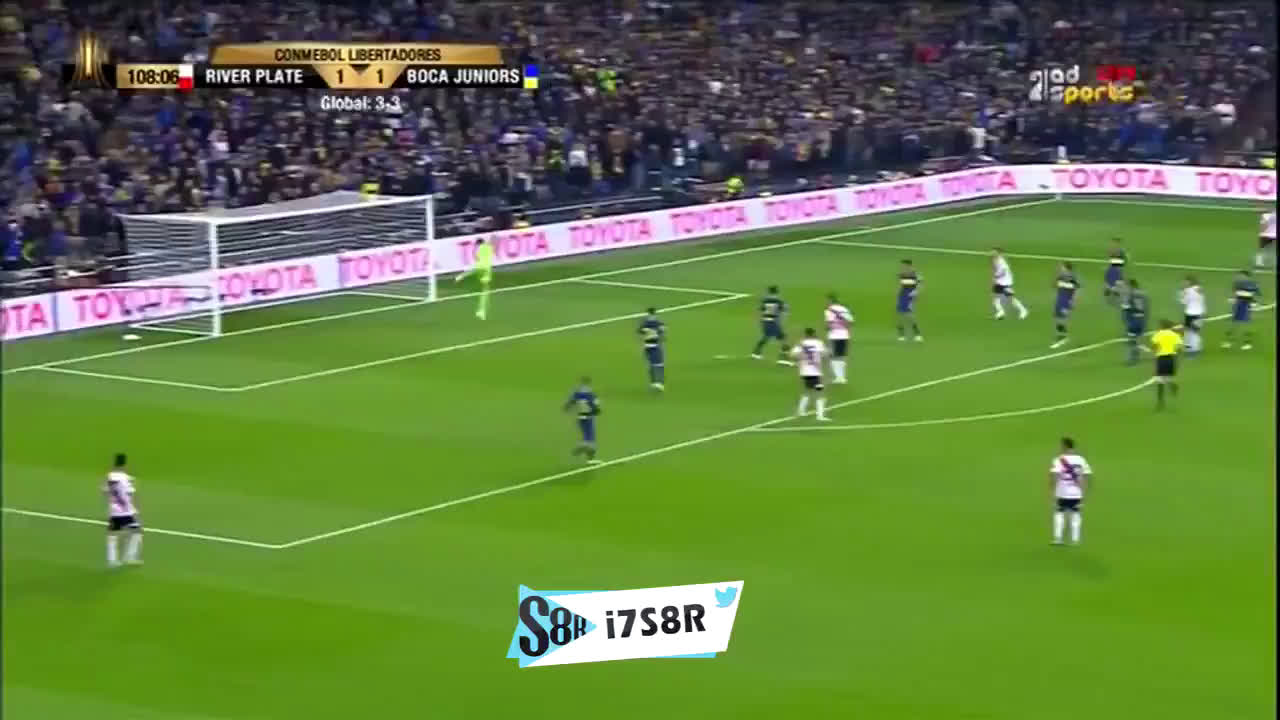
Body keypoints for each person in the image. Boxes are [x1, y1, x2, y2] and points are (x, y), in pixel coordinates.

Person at [1048, 437, 1092, 546]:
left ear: (1065, 446)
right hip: (1076, 493)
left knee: (1059, 514)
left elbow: (1055, 475)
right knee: (1076, 515)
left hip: (1062, 492)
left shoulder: (1059, 459)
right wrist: (1084, 490)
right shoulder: (1081, 459)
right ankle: (1075, 540)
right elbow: (1087, 475)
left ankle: (1058, 539)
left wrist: (1052, 489)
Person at [104, 453, 142, 568]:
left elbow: (105, 491)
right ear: (124, 464)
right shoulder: (126, 478)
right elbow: (130, 493)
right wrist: (133, 508)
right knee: (136, 531)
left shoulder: (110, 476)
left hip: (114, 510)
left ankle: (112, 560)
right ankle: (129, 557)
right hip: (125, 511)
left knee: (113, 534)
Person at [791, 328, 829, 420]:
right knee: (820, 393)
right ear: (814, 334)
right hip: (815, 372)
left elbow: (792, 355)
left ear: (805, 334)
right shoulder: (818, 343)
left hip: (804, 371)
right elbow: (825, 354)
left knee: (807, 390)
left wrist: (801, 358)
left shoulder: (801, 343)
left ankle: (801, 411)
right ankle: (820, 416)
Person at [563, 377, 602, 463]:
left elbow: (570, 402)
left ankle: (586, 453)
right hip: (588, 417)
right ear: (588, 383)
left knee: (587, 436)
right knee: (590, 439)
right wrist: (597, 411)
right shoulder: (591, 394)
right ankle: (584, 451)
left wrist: (566, 408)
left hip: (580, 417)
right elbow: (595, 405)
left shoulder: (577, 393)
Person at [455, 238, 494, 320]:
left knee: (474, 272)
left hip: (481, 267)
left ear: (478, 244)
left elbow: (476, 258)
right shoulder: (489, 247)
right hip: (487, 269)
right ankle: (481, 311)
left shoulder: (480, 249)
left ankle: (461, 276)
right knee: (485, 290)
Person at [751, 285, 792, 363]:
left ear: (769, 292)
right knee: (780, 338)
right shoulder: (779, 301)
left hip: (766, 321)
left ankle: (756, 352)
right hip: (773, 322)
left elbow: (760, 310)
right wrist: (782, 319)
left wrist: (760, 320)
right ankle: (783, 357)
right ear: (777, 292)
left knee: (772, 337)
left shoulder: (765, 301)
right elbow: (784, 310)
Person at [1223, 269, 1261, 350]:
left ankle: (1247, 343)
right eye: (1239, 276)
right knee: (1233, 324)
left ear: (1246, 276)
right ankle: (1229, 342)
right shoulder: (1237, 283)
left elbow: (1257, 295)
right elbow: (1234, 294)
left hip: (1246, 306)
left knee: (1246, 325)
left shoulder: (1253, 284)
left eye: (1241, 275)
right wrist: (1232, 299)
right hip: (1238, 305)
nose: (1239, 277)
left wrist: (1254, 303)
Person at [1150, 320, 1183, 410]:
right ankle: (1172, 385)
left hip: (1161, 358)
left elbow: (1154, 346)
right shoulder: (1175, 335)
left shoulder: (1158, 334)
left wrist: (1154, 354)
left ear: (1162, 326)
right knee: (1167, 377)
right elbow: (1179, 347)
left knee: (1159, 380)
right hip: (1171, 358)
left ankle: (1160, 402)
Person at [823, 294, 853, 384]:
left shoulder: (829, 310)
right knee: (841, 356)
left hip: (834, 335)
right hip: (845, 335)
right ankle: (842, 377)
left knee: (833, 357)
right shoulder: (844, 309)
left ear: (830, 301)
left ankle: (838, 377)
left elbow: (829, 323)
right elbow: (851, 321)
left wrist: (827, 328)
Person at [991, 248, 1029, 320]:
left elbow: (1003, 271)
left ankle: (1023, 310)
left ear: (999, 253)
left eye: (994, 252)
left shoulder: (1002, 261)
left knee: (1010, 299)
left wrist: (996, 276)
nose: (992, 253)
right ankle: (1001, 312)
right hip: (999, 282)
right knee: (996, 298)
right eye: (992, 252)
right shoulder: (996, 260)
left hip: (1006, 283)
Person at [1051, 261, 1080, 348]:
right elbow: (1053, 285)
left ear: (1067, 268)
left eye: (1062, 267)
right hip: (1059, 300)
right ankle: (1061, 336)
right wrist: (1056, 276)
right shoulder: (1060, 276)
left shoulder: (1072, 278)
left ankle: (1063, 337)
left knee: (1062, 318)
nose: (1061, 269)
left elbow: (1076, 290)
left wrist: (1073, 301)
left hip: (1066, 301)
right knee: (1057, 318)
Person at [1121, 279, 1149, 365]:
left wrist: (1126, 307)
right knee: (1136, 339)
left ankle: (1133, 359)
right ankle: (1138, 355)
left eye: (1127, 286)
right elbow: (1145, 308)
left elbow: (1126, 307)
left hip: (1134, 320)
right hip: (1141, 319)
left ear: (1131, 286)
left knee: (1131, 340)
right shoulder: (1142, 294)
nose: (1126, 288)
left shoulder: (1131, 295)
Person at [637, 307, 666, 391]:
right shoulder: (656, 323)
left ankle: (654, 383)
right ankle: (658, 383)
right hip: (654, 346)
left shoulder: (645, 323)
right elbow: (661, 332)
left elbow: (640, 331)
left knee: (653, 365)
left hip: (648, 346)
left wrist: (647, 332)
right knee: (659, 365)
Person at [1178, 275, 1206, 355]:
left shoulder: (1187, 291)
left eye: (1185, 281)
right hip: (1199, 313)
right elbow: (1202, 300)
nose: (1184, 283)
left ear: (1190, 282)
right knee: (1194, 331)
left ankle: (1192, 349)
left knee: (1190, 332)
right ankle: (1195, 348)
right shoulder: (1199, 289)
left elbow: (1184, 302)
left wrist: (1181, 294)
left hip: (1190, 313)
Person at [896, 260, 923, 342]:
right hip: (902, 295)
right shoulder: (902, 274)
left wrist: (916, 294)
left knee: (909, 314)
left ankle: (917, 334)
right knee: (900, 314)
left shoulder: (916, 274)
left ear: (909, 266)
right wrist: (898, 294)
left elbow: (920, 285)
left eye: (904, 266)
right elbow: (901, 285)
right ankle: (901, 334)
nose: (902, 267)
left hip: (910, 295)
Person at [1104, 237, 1128, 304]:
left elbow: (1123, 259)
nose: (1114, 243)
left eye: (1115, 242)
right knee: (1112, 280)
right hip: (1114, 267)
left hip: (1117, 267)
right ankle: (1112, 291)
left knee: (1116, 281)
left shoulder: (1120, 250)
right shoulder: (1117, 250)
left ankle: (1113, 291)